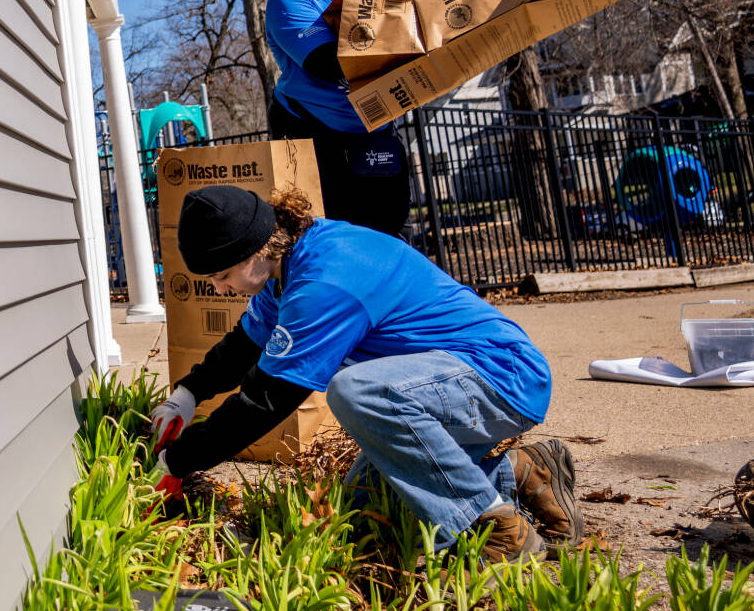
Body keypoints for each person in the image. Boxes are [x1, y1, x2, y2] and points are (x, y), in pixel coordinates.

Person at [148, 184, 580, 562]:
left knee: (355, 391)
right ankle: (525, 472)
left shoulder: (324, 282)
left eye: (222, 276)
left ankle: (495, 530)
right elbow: (245, 346)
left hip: (501, 376)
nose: (221, 289)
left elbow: (267, 399)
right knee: (363, 509)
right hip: (447, 384)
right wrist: (186, 395)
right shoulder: (287, 265)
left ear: (257, 248)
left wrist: (179, 460)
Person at [265, 0, 432, 235]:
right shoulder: (287, 1)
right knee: (332, 232)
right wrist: (398, 32)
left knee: (391, 226)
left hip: (371, 122)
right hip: (313, 130)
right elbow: (328, 65)